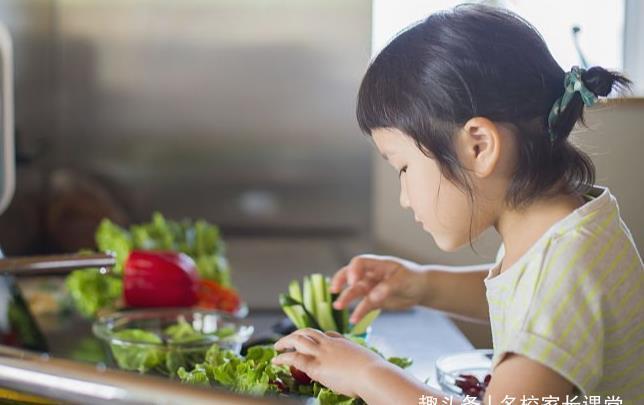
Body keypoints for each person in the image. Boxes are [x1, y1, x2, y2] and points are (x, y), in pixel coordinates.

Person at [271, 4, 643, 404]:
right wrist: (421, 284)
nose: (404, 196)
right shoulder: (569, 228)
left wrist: (367, 374)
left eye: (403, 167)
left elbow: (541, 304)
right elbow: (523, 299)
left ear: (479, 146)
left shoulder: (564, 274)